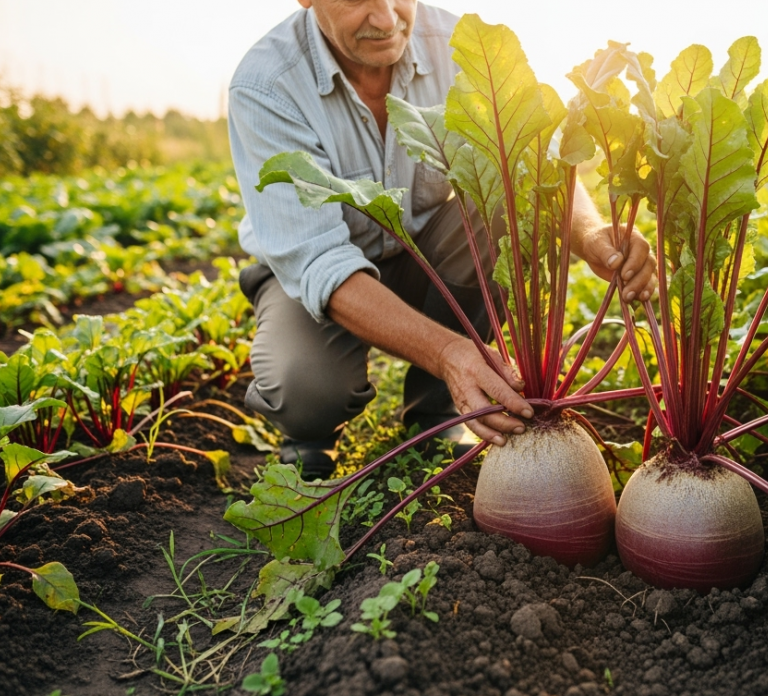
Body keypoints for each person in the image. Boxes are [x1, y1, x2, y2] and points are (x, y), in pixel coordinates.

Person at [227, 0, 655, 479]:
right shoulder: (266, 84)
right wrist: (449, 351)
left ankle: (438, 413)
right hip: (319, 281)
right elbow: (320, 263)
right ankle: (309, 436)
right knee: (306, 388)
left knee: (506, 204)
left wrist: (591, 233)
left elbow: (540, 164)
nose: (387, 20)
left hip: (425, 253)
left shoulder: (460, 48)